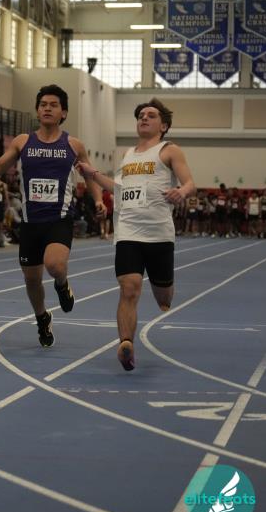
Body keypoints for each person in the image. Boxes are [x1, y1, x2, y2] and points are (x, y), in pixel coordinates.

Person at [0, 84, 104, 348]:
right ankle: (42, 317)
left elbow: (89, 175)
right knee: (32, 279)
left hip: (59, 219)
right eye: (43, 104)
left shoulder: (73, 145)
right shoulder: (22, 141)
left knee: (55, 265)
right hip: (31, 222)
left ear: (63, 113)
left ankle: (62, 284)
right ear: (37, 110)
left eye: (53, 105)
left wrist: (98, 199)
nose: (47, 108)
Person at [77, 99, 195, 371]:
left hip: (159, 234)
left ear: (163, 125)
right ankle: (126, 344)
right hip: (128, 231)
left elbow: (190, 183)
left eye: (151, 115)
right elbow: (118, 188)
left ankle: (164, 293)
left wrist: (181, 191)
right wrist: (93, 174)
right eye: (141, 115)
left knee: (163, 297)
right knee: (129, 288)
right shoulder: (128, 154)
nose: (144, 118)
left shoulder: (169, 150)